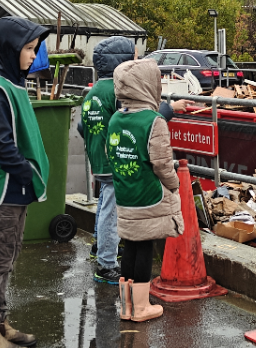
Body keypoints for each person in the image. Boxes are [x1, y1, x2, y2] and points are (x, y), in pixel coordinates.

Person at [0, 16, 52, 348]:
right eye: (28, 49)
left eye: (34, 49)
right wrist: (26, 175)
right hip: (3, 188)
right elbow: (2, 146)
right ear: (10, 48)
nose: (33, 56)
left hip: (14, 188)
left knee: (8, 255)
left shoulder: (12, 84)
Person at [108, 58, 184, 323]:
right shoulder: (154, 121)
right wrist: (175, 186)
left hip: (126, 194)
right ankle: (141, 307)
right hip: (149, 195)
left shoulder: (116, 119)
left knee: (130, 246)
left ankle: (126, 306)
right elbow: (162, 164)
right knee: (145, 248)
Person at [79, 36, 136, 285]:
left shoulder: (93, 91)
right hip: (113, 160)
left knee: (104, 200)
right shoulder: (117, 91)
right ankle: (106, 264)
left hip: (97, 156)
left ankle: (100, 245)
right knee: (111, 212)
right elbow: (130, 122)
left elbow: (82, 126)